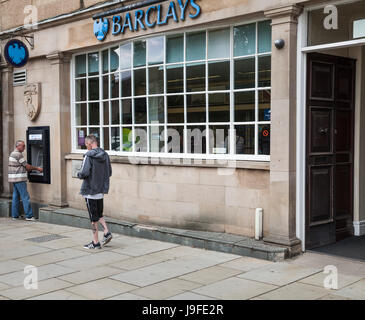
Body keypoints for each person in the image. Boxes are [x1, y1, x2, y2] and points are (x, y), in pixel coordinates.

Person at [77, 135, 113, 249]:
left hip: (90, 191)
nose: (86, 147)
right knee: (99, 214)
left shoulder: (89, 156)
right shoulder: (105, 155)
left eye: (86, 145)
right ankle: (106, 231)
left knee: (93, 219)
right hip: (100, 191)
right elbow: (109, 172)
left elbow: (84, 172)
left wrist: (78, 174)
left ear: (89, 144)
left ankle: (95, 242)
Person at [8, 140, 43, 221]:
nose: (24, 148)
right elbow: (27, 167)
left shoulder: (12, 153)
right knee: (25, 197)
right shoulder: (18, 154)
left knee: (15, 197)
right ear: (18, 146)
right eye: (23, 146)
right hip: (19, 178)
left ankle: (15, 215)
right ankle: (29, 216)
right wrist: (38, 168)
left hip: (14, 178)